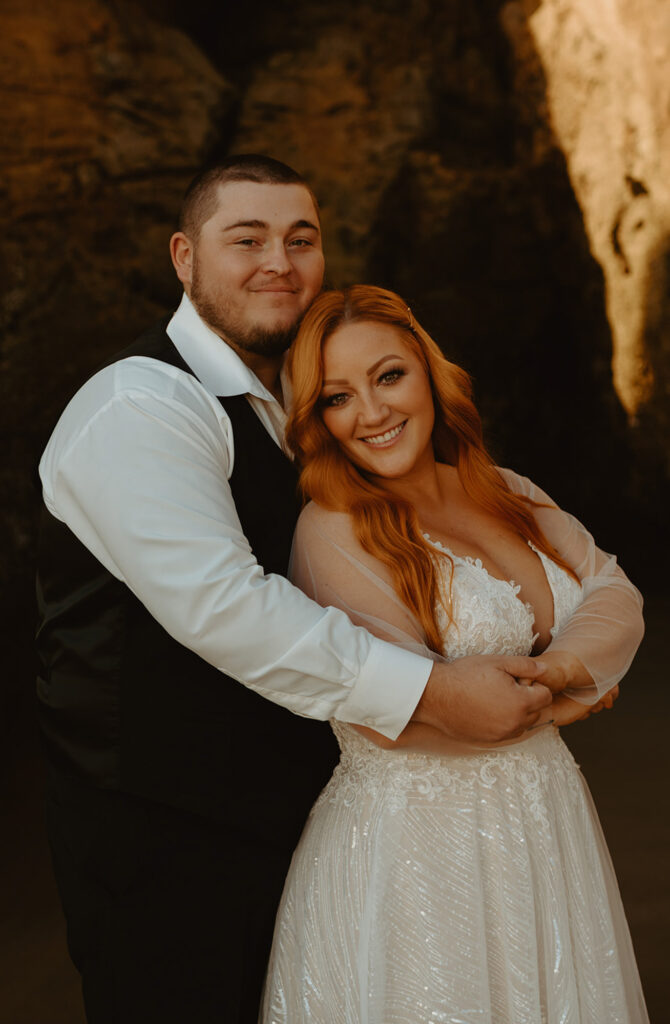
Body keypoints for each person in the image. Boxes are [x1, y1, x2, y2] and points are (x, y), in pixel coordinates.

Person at [36, 156, 568, 1024]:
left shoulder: (307, 403)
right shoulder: (139, 403)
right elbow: (224, 606)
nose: (279, 261)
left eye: (301, 239)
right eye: (245, 239)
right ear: (183, 256)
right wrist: (433, 693)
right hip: (166, 843)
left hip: (309, 823)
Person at [260, 284, 648, 1023]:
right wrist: (577, 699)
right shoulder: (329, 531)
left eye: (389, 376)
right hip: (418, 849)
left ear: (429, 373)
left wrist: (563, 671)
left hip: (545, 821)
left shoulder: (505, 490)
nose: (372, 413)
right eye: (337, 398)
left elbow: (615, 593)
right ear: (317, 420)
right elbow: (401, 716)